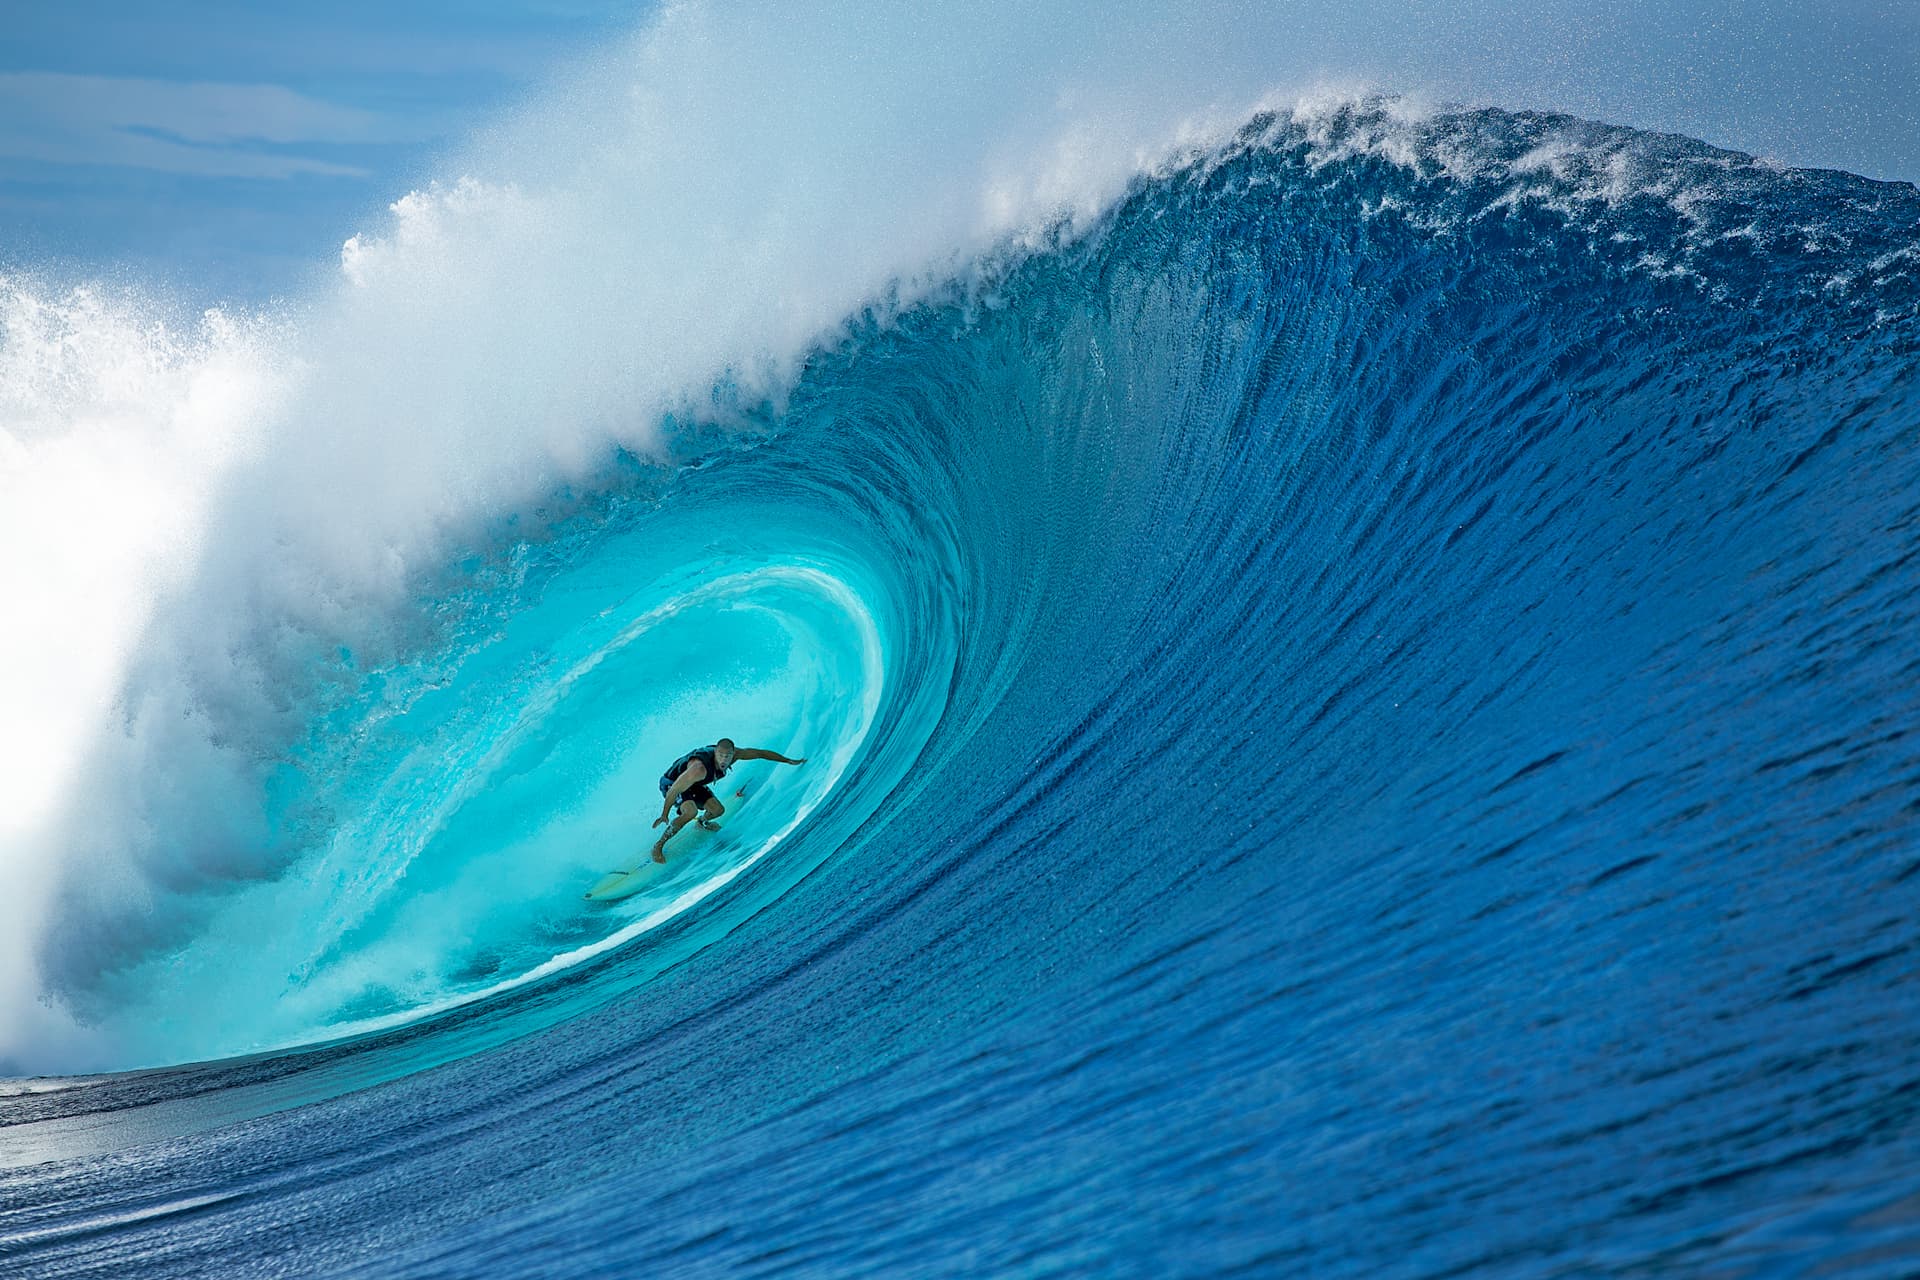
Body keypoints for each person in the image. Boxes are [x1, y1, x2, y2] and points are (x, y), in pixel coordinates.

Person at [651, 737, 806, 862]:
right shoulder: (698, 769)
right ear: (715, 753)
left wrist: (789, 761)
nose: (724, 760)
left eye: (727, 756)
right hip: (672, 783)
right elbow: (675, 790)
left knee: (718, 810)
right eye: (720, 756)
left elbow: (761, 753)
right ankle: (658, 846)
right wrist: (664, 814)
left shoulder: (736, 754)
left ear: (733, 754)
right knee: (690, 812)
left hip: (693, 784)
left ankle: (701, 823)